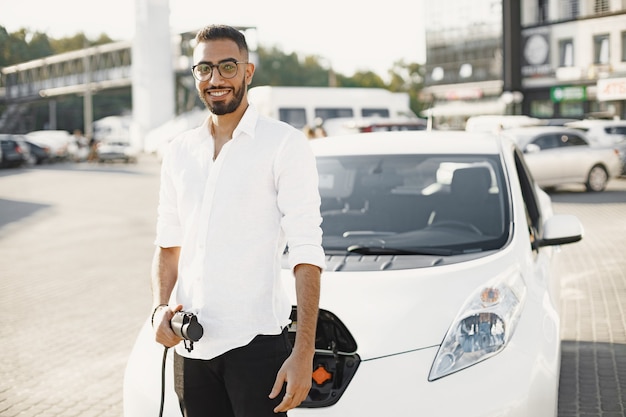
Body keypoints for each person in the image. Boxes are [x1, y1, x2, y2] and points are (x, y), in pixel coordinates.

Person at [150, 24, 325, 417]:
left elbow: (306, 250)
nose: (216, 79)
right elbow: (167, 243)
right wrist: (159, 307)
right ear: (194, 75)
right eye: (204, 69)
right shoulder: (178, 152)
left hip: (258, 349)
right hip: (191, 347)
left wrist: (303, 353)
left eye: (228, 67)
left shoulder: (284, 144)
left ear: (248, 72)